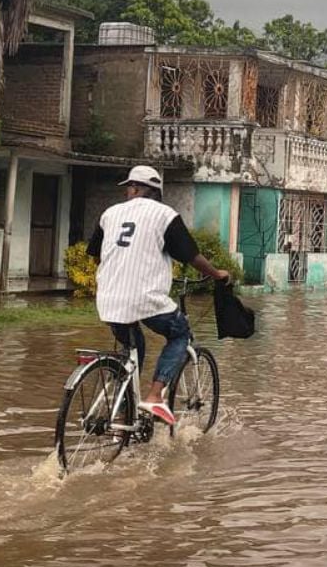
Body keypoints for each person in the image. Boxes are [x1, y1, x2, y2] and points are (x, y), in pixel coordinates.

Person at [87, 166, 230, 426]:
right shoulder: (164, 215)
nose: (129, 193)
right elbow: (191, 256)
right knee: (180, 333)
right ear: (156, 191)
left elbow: (97, 254)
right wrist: (217, 274)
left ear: (134, 188)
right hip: (146, 297)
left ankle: (123, 412)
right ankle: (154, 396)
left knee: (133, 349)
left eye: (129, 188)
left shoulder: (109, 214)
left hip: (108, 299)